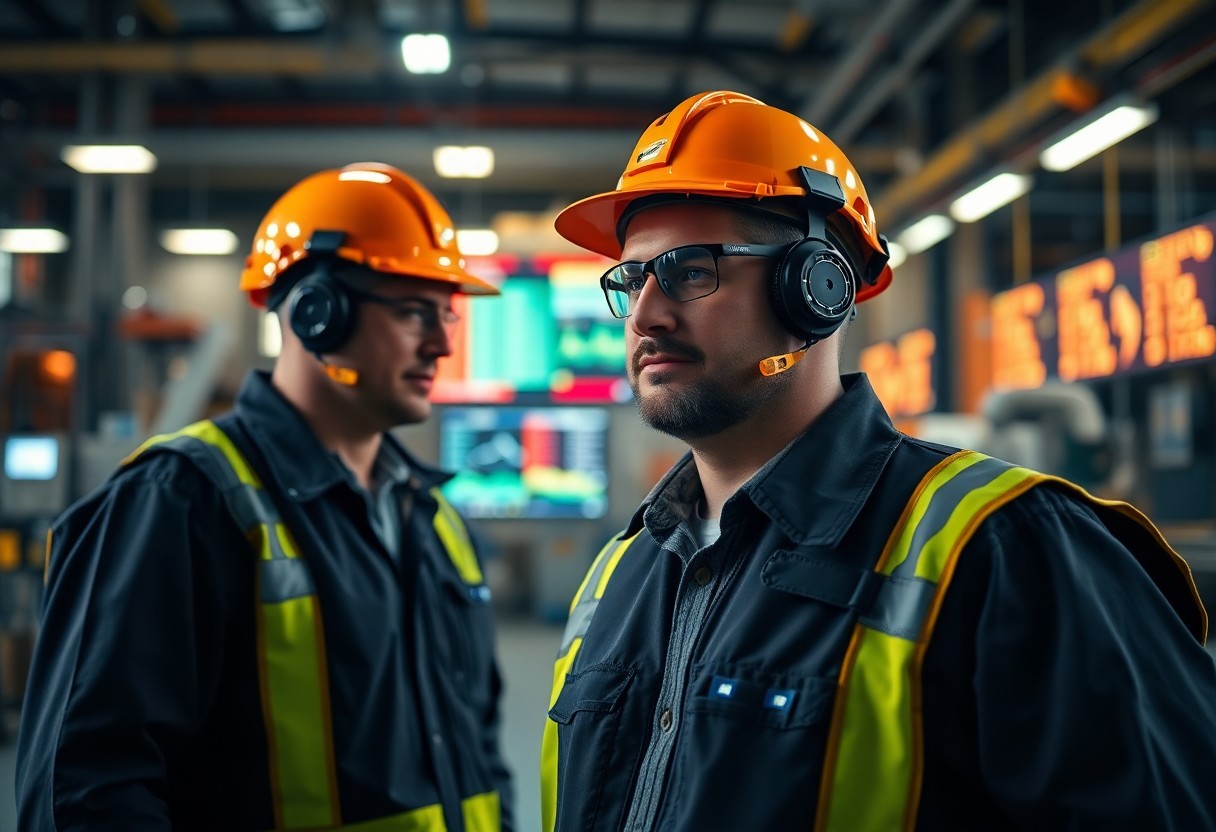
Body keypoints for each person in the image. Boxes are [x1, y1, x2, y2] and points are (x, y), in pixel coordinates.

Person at [540, 91, 1216, 832]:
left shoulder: (1007, 550)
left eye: (690, 270)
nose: (646, 314)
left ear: (816, 288)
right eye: (632, 279)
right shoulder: (618, 573)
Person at [17, 162, 514, 831]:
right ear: (317, 313)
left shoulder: (433, 520)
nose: (442, 342)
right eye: (412, 312)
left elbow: (480, 756)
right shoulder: (179, 502)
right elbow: (86, 792)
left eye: (447, 314)